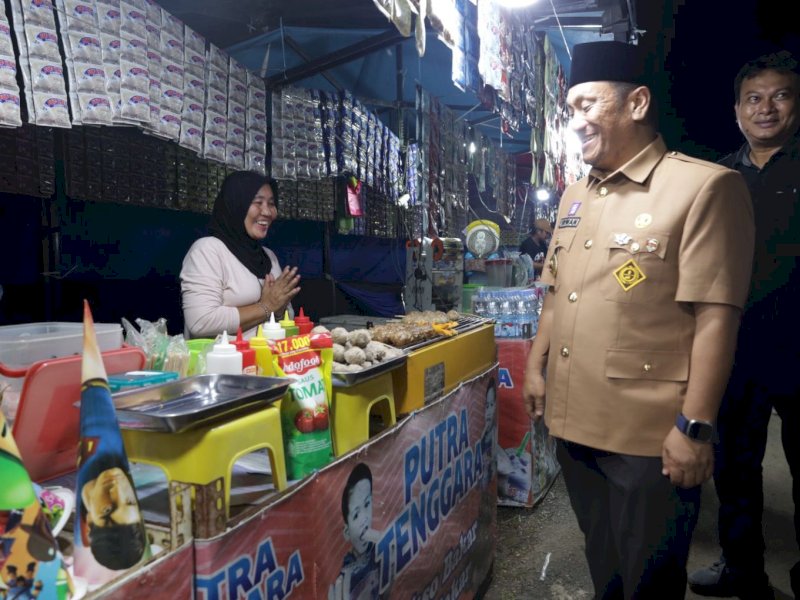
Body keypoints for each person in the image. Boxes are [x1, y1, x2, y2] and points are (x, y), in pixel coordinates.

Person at [522, 40, 754, 599]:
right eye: (569, 107)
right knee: (606, 569)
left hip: (648, 437)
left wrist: (694, 428)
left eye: (587, 105)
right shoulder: (575, 196)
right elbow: (556, 291)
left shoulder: (702, 187)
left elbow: (716, 317)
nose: (574, 121)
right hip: (574, 423)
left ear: (637, 103)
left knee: (651, 582)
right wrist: (535, 366)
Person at [688, 51, 800, 600]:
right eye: (754, 99)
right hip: (736, 347)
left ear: (795, 103)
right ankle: (743, 570)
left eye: (780, 96)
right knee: (735, 469)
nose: (767, 108)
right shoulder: (718, 179)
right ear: (737, 111)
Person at [181, 172, 301, 339]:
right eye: (258, 202)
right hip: (222, 363)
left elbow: (287, 316)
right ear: (236, 205)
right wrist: (266, 306)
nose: (267, 211)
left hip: (267, 360)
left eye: (271, 204)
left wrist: (279, 309)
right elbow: (201, 322)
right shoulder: (208, 250)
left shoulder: (269, 257)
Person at [329, 463, 382, 600]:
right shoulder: (346, 573)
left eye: (367, 504)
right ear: (347, 532)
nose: (364, 518)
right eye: (356, 515)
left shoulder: (378, 551)